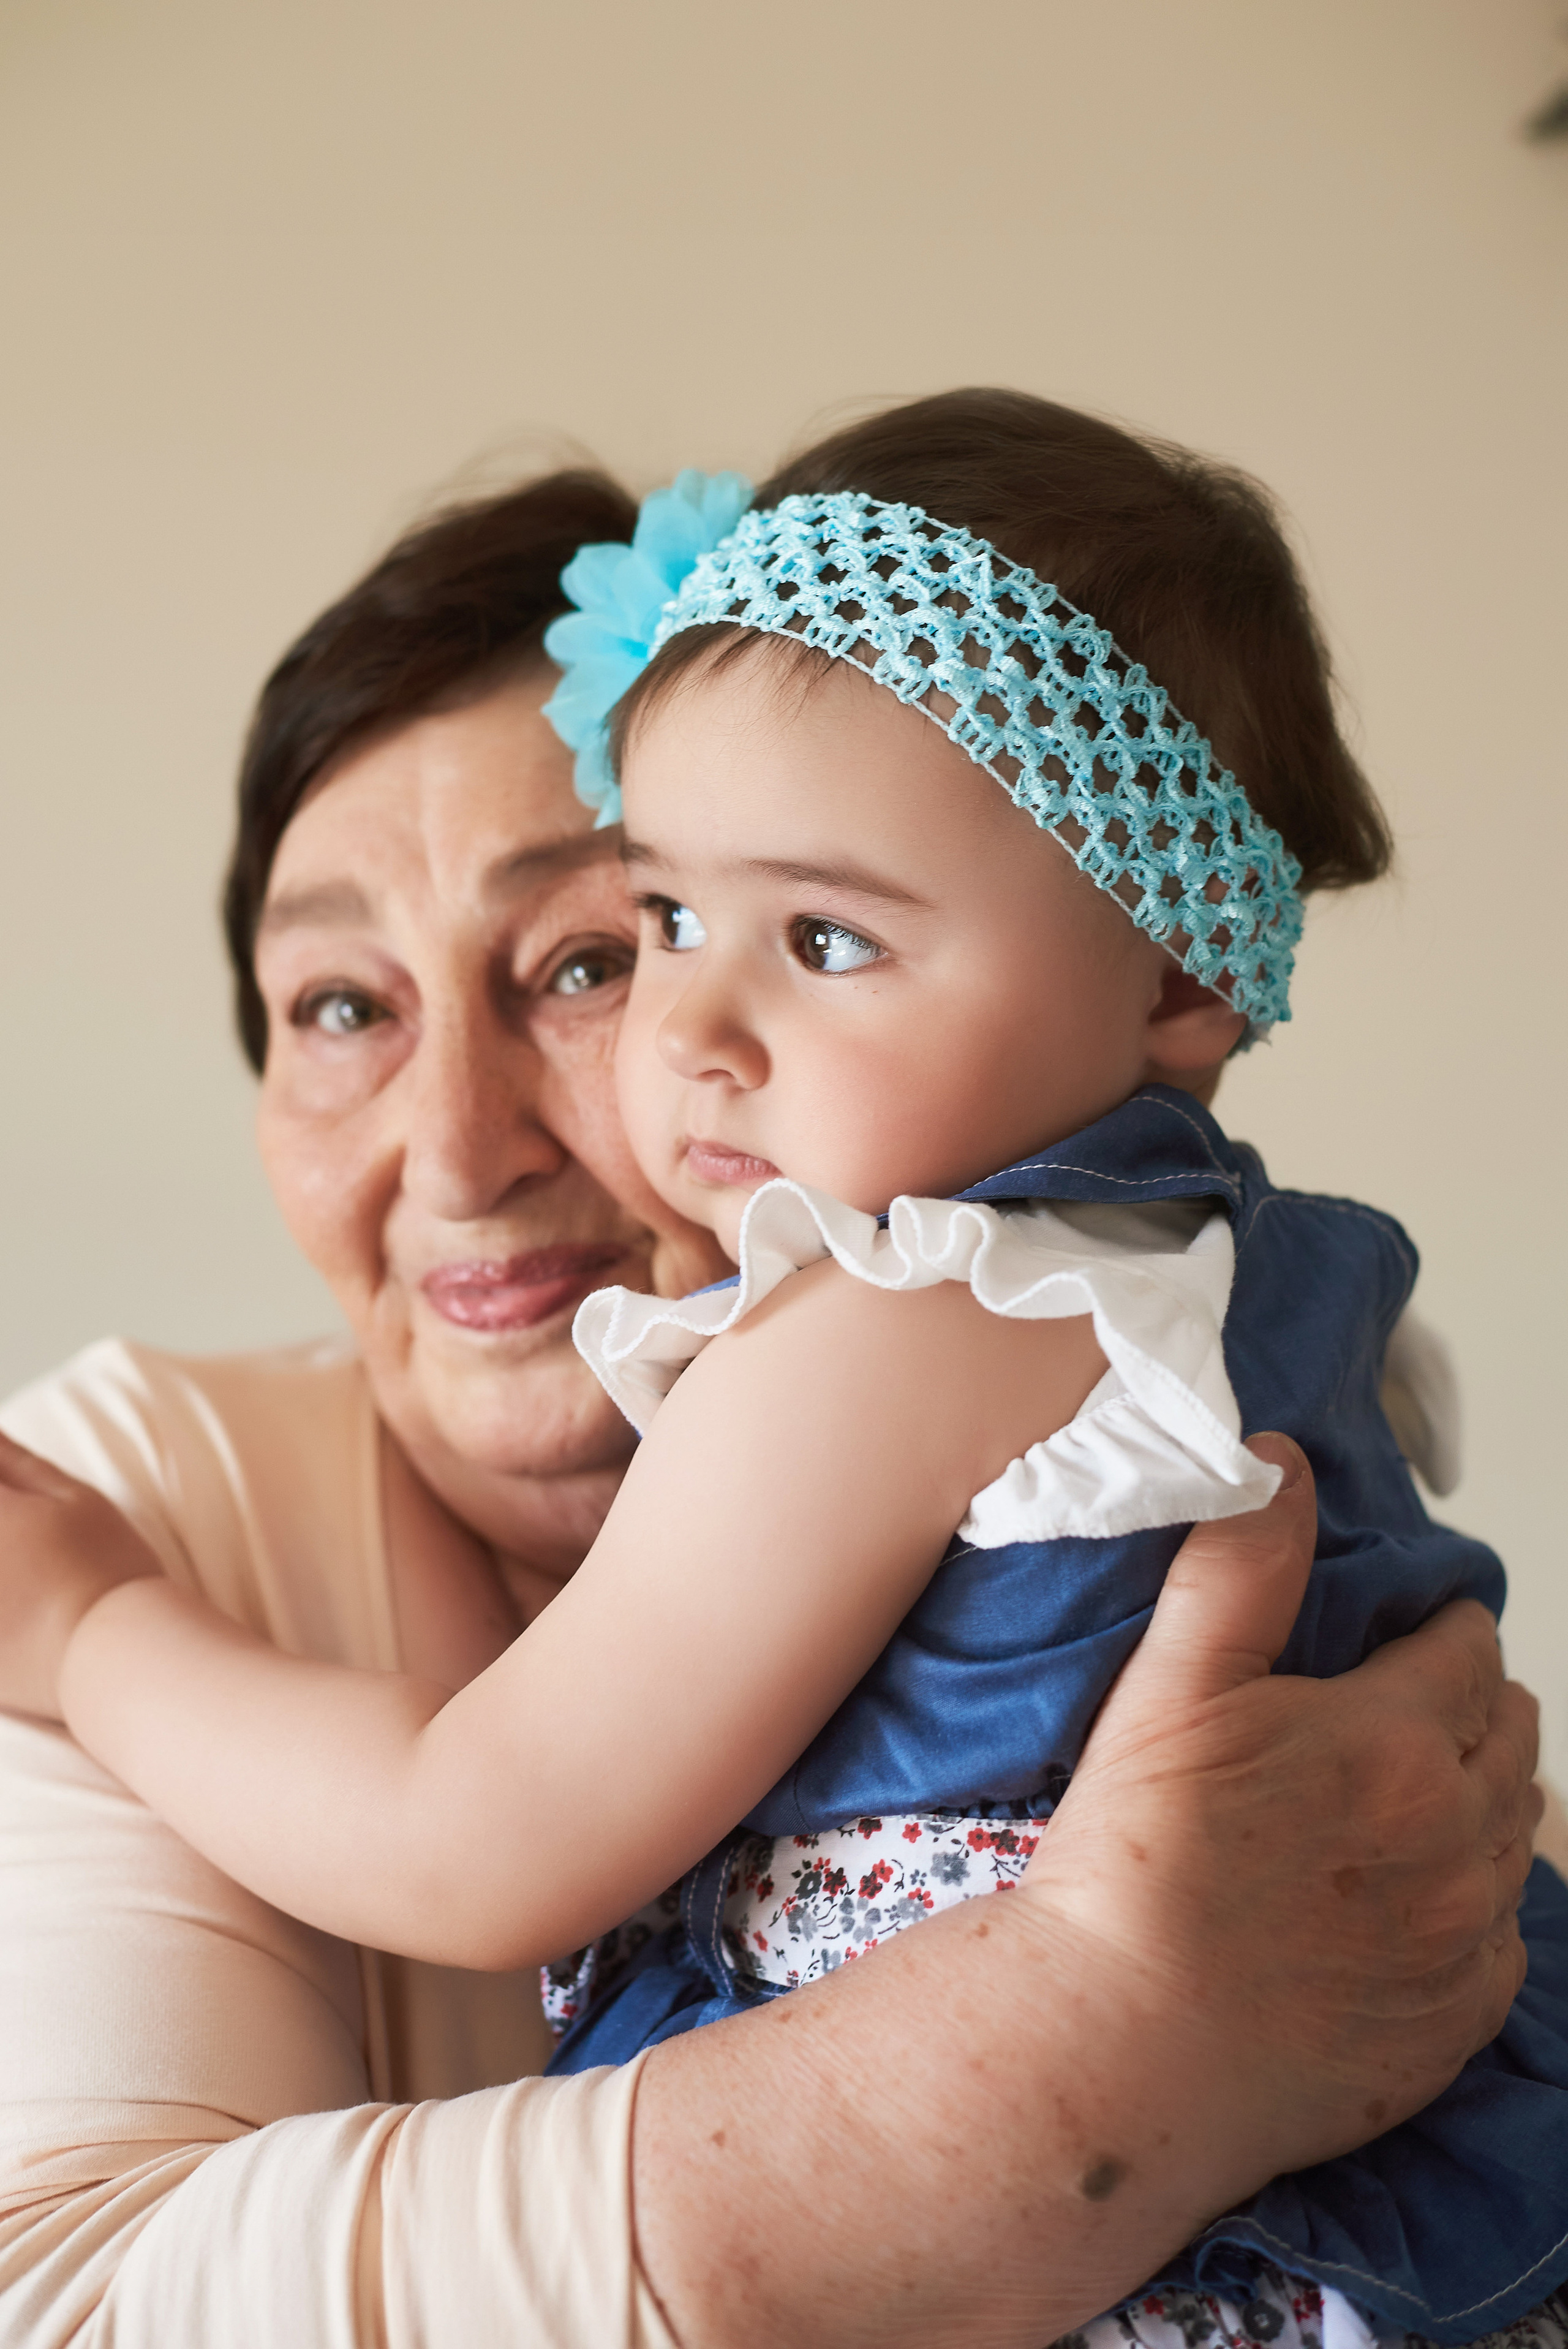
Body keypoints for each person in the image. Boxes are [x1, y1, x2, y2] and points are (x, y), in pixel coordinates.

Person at [0, 456, 1552, 2349]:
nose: (681, 1035)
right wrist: (1099, 2023)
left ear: (1168, 977)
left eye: (577, 954)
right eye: (656, 923)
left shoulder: (890, 1324)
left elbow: (473, 1834)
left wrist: (83, 1623)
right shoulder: (1259, 1297)